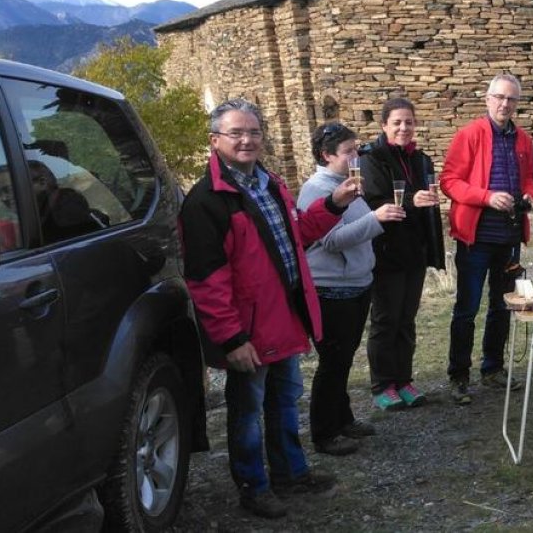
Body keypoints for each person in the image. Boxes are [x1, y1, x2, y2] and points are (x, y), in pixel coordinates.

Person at [180, 99, 358, 519]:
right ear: (215, 140)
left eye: (254, 132)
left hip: (283, 318)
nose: (247, 140)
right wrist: (232, 338)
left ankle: (290, 474)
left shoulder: (269, 183)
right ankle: (253, 487)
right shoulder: (205, 201)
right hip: (249, 331)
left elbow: (296, 236)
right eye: (236, 133)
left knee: (284, 400)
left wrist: (334, 203)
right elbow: (207, 280)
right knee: (246, 414)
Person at [297, 123, 404, 456]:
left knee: (343, 359)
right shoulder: (316, 190)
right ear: (327, 155)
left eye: (356, 149)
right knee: (333, 362)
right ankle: (324, 433)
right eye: (348, 152)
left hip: (356, 284)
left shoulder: (348, 185)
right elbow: (329, 240)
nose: (356, 156)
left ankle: (342, 420)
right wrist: (376, 219)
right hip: (332, 288)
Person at [440, 74, 533, 405]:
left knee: (501, 306)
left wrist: (528, 194)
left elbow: (529, 179)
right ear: (487, 99)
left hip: (508, 236)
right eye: (499, 97)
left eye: (511, 99)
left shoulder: (523, 139)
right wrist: (486, 196)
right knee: (466, 308)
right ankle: (459, 376)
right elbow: (449, 181)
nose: (505, 104)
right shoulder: (469, 135)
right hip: (475, 237)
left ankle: (492, 369)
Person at [359, 98, 445, 409]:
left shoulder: (421, 159)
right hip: (385, 251)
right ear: (383, 125)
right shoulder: (371, 159)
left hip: (415, 250)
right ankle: (383, 385)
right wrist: (411, 200)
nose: (403, 127)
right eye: (397, 122)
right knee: (385, 320)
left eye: (408, 122)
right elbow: (372, 200)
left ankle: (404, 380)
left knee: (406, 319)